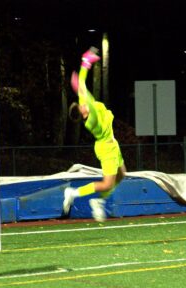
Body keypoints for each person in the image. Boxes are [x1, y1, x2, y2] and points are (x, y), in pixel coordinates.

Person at [63, 47, 126, 222]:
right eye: (81, 107)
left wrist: (86, 61)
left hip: (112, 144)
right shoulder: (92, 120)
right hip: (106, 148)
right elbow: (81, 86)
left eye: (81, 104)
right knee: (107, 183)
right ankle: (75, 193)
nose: (83, 105)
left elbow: (82, 82)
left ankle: (99, 201)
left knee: (122, 175)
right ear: (82, 115)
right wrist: (82, 72)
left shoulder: (85, 104)